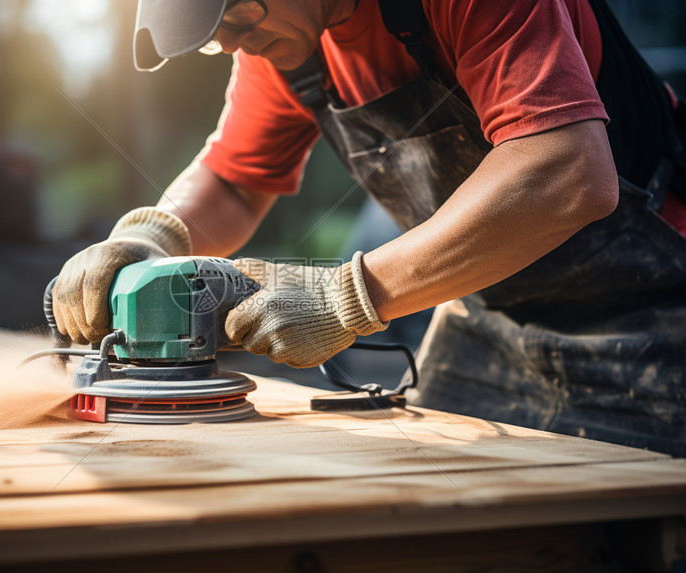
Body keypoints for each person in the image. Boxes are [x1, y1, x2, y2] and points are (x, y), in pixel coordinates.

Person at [52, 0, 686, 456]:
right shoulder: (285, 44)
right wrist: (151, 236)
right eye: (218, 38)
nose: (237, 43)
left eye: (237, 17)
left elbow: (569, 170)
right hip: (491, 311)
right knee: (443, 512)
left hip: (657, 305)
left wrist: (345, 298)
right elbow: (234, 179)